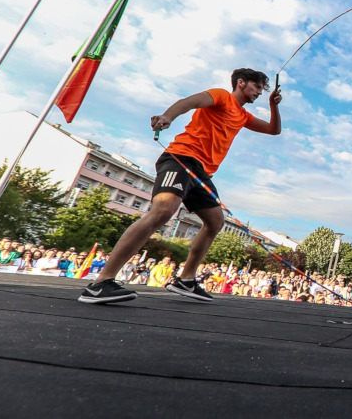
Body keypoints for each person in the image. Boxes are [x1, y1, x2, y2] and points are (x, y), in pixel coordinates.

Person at [79, 68, 282, 304]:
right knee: (163, 212)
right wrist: (167, 117)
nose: (259, 92)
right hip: (181, 158)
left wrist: (273, 105)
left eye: (261, 89)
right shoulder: (220, 95)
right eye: (257, 87)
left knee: (215, 221)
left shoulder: (243, 115)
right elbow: (187, 102)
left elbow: (273, 130)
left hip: (202, 173)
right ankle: (100, 283)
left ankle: (186, 279)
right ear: (241, 83)